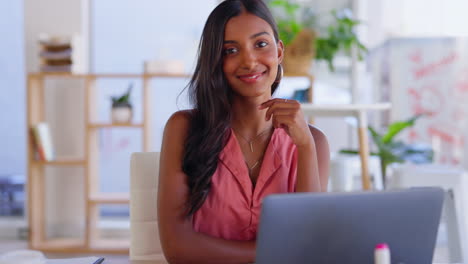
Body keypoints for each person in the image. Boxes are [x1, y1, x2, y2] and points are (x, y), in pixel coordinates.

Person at [157, 0, 330, 263]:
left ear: (279, 51)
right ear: (215, 59)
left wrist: (304, 147)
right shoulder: (183, 128)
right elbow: (177, 248)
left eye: (261, 44)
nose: (249, 60)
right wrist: (278, 254)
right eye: (230, 50)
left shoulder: (312, 142)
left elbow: (309, 244)